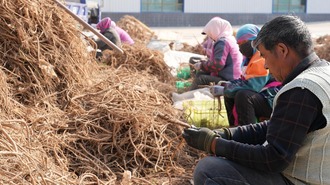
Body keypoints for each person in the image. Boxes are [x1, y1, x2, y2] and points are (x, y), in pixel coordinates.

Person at [182, 15, 330, 185]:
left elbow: (273, 158)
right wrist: (228, 134)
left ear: (282, 50)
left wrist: (214, 144)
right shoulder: (324, 72)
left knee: (209, 169)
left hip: (302, 180)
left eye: (265, 56)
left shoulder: (301, 90)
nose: (265, 65)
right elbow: (278, 126)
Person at [214, 24, 282, 126]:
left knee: (243, 95)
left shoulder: (261, 56)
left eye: (244, 42)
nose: (241, 46)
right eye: (239, 43)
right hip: (263, 94)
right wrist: (227, 85)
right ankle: (233, 129)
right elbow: (244, 79)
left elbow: (254, 85)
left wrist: (226, 89)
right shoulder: (248, 60)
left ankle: (248, 133)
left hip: (273, 98)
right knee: (230, 93)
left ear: (255, 40)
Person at [189, 17, 243, 90]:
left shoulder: (222, 42)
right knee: (201, 74)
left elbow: (218, 64)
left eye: (210, 33)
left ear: (215, 30)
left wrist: (201, 65)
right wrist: (203, 64)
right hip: (234, 77)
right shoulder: (230, 39)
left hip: (229, 80)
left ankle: (189, 97)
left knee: (201, 79)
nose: (210, 36)